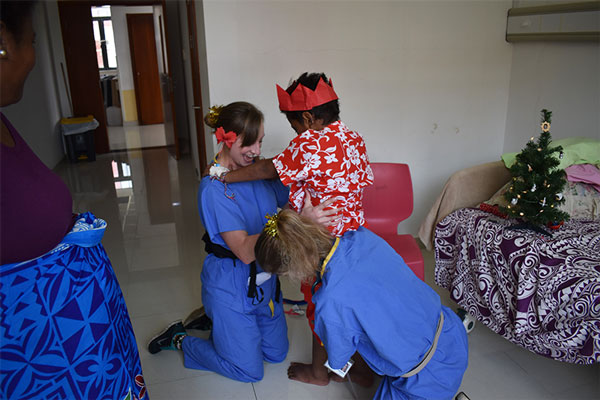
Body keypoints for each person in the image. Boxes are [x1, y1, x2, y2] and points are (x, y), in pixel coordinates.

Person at [0, 2, 145, 399]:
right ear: (2, 41)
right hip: (36, 355)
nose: (32, 57)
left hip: (74, 341)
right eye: (30, 41)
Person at [222, 72, 374, 386]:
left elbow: (268, 168)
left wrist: (224, 176)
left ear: (307, 118)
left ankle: (320, 373)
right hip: (357, 241)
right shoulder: (354, 138)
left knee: (321, 307)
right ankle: (358, 367)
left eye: (294, 126)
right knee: (348, 305)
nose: (295, 133)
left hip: (321, 245)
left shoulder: (309, 143)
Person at [255, 210, 469, 399]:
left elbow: (338, 359)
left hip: (423, 379)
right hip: (451, 334)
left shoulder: (329, 301)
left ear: (294, 269)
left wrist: (339, 368)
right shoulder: (360, 236)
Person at [147, 102, 289, 382]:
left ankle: (217, 324)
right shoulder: (213, 189)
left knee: (277, 354)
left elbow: (290, 194)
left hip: (265, 284)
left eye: (260, 142)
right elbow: (245, 251)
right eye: (249, 144)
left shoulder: (259, 173)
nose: (258, 151)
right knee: (249, 371)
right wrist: (291, 226)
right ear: (227, 140)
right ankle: (178, 338)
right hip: (232, 286)